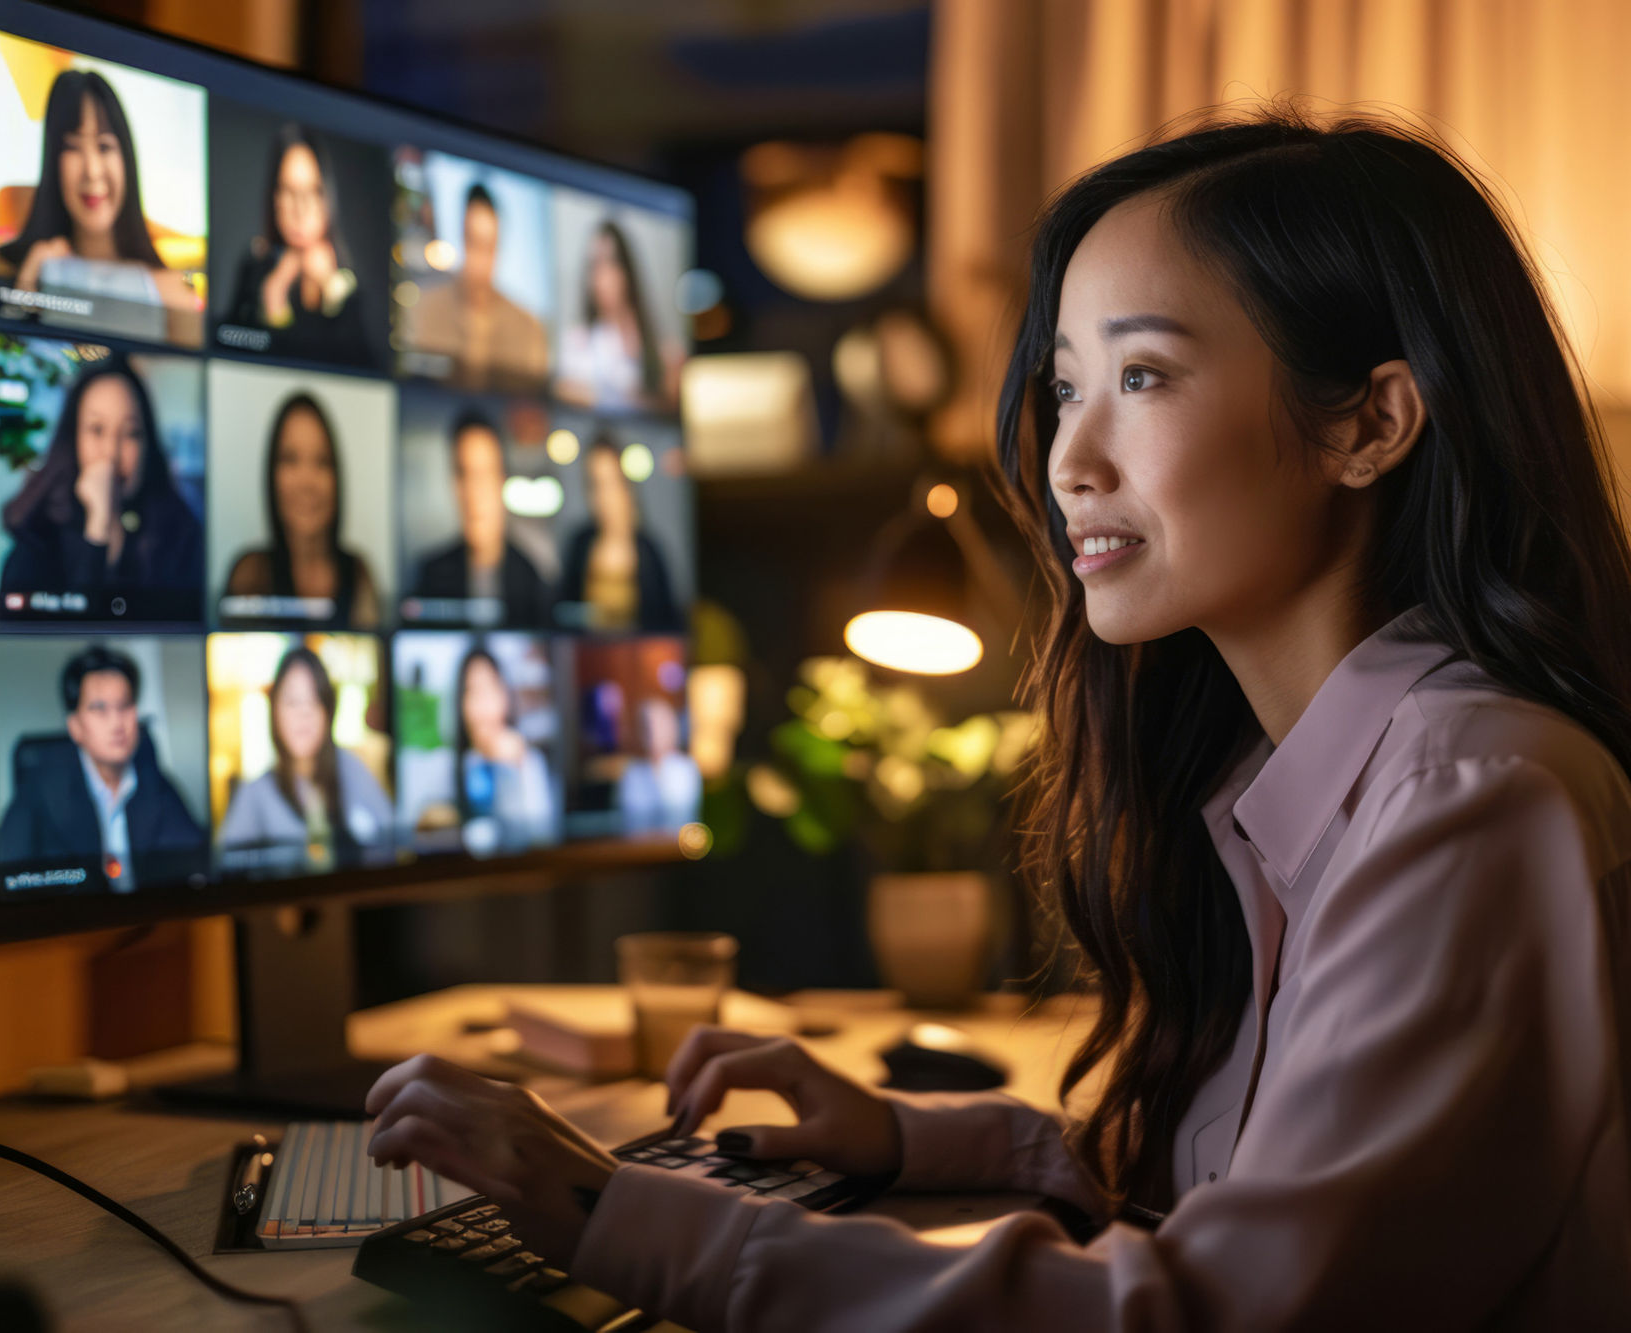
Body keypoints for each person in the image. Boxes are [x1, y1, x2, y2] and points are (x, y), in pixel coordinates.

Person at [362, 110, 1631, 1329]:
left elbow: (1207, 1311)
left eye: (1141, 374)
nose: (1067, 455)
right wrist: (921, 1135)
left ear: (1368, 421)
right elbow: (1264, 1191)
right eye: (1067, 384)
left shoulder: (1469, 795)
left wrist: (605, 1207)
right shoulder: (1331, 776)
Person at [0, 68, 199, 347]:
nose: (92, 170)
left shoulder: (172, 291)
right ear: (53, 162)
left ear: (126, 158)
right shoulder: (5, 267)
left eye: (104, 146)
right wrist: (28, 284)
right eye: (73, 147)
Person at [0, 352, 202, 604]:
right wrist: (99, 527)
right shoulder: (37, 539)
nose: (112, 453)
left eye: (131, 433)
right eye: (97, 430)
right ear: (74, 438)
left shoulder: (181, 534)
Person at [0, 645, 203, 891]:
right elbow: (8, 881)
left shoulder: (155, 781)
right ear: (75, 726)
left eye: (124, 706)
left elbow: (197, 866)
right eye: (100, 709)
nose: (117, 723)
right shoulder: (39, 791)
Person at [216, 645, 391, 871]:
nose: (304, 715)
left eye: (314, 701)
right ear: (275, 711)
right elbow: (224, 868)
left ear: (328, 710)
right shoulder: (255, 792)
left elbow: (390, 841)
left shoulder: (350, 767)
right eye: (292, 702)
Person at [220, 392, 380, 627]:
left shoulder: (359, 574)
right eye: (291, 459)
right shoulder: (249, 574)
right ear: (272, 475)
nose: (307, 482)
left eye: (322, 461)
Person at [221, 126, 365, 363]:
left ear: (327, 198)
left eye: (312, 192)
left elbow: (359, 361)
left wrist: (330, 287)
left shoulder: (346, 280)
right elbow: (227, 345)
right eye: (288, 191)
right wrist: (274, 294)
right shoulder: (254, 266)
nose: (300, 210)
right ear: (274, 196)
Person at [408, 410, 552, 627]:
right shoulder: (429, 575)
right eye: (464, 474)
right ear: (454, 484)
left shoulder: (531, 578)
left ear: (501, 481)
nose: (474, 493)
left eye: (485, 474)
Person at [401, 182, 548, 390]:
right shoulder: (423, 309)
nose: (481, 261)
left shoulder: (529, 329)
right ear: (461, 239)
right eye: (474, 243)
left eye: (489, 247)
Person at [556, 433, 681, 631]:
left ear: (627, 484)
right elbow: (562, 615)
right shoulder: (579, 544)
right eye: (595, 485)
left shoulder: (650, 551)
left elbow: (667, 622)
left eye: (611, 482)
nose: (603, 497)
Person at [554, 220, 678, 413]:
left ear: (627, 271)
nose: (602, 276)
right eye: (594, 265)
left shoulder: (660, 347)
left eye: (611, 262)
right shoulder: (576, 342)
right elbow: (565, 391)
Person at [453, 647, 555, 851]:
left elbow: (544, 838)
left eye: (491, 688)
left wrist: (519, 767)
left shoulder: (529, 761)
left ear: (505, 694)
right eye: (473, 691)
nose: (483, 704)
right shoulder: (457, 766)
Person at [617, 698, 698, 834]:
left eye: (659, 724)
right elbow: (631, 817)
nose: (653, 732)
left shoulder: (686, 769)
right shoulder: (632, 773)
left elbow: (680, 812)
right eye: (647, 726)